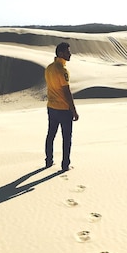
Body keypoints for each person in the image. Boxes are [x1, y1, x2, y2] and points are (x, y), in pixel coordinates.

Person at [44, 42, 79, 171]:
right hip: (63, 110)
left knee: (51, 135)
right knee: (66, 138)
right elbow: (66, 92)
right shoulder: (62, 70)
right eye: (67, 52)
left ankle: (48, 160)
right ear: (61, 53)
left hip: (51, 108)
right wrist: (73, 110)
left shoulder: (49, 68)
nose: (70, 54)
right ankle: (65, 165)